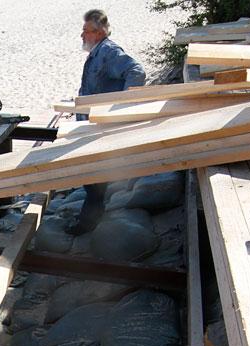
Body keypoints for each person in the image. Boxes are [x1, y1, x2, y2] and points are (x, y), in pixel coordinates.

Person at [67, 9, 146, 235]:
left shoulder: (109, 52)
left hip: (101, 128)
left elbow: (136, 72)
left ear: (99, 32)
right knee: (92, 181)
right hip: (91, 127)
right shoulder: (97, 53)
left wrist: (121, 107)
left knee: (94, 182)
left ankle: (88, 226)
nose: (82, 35)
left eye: (86, 31)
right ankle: (92, 221)